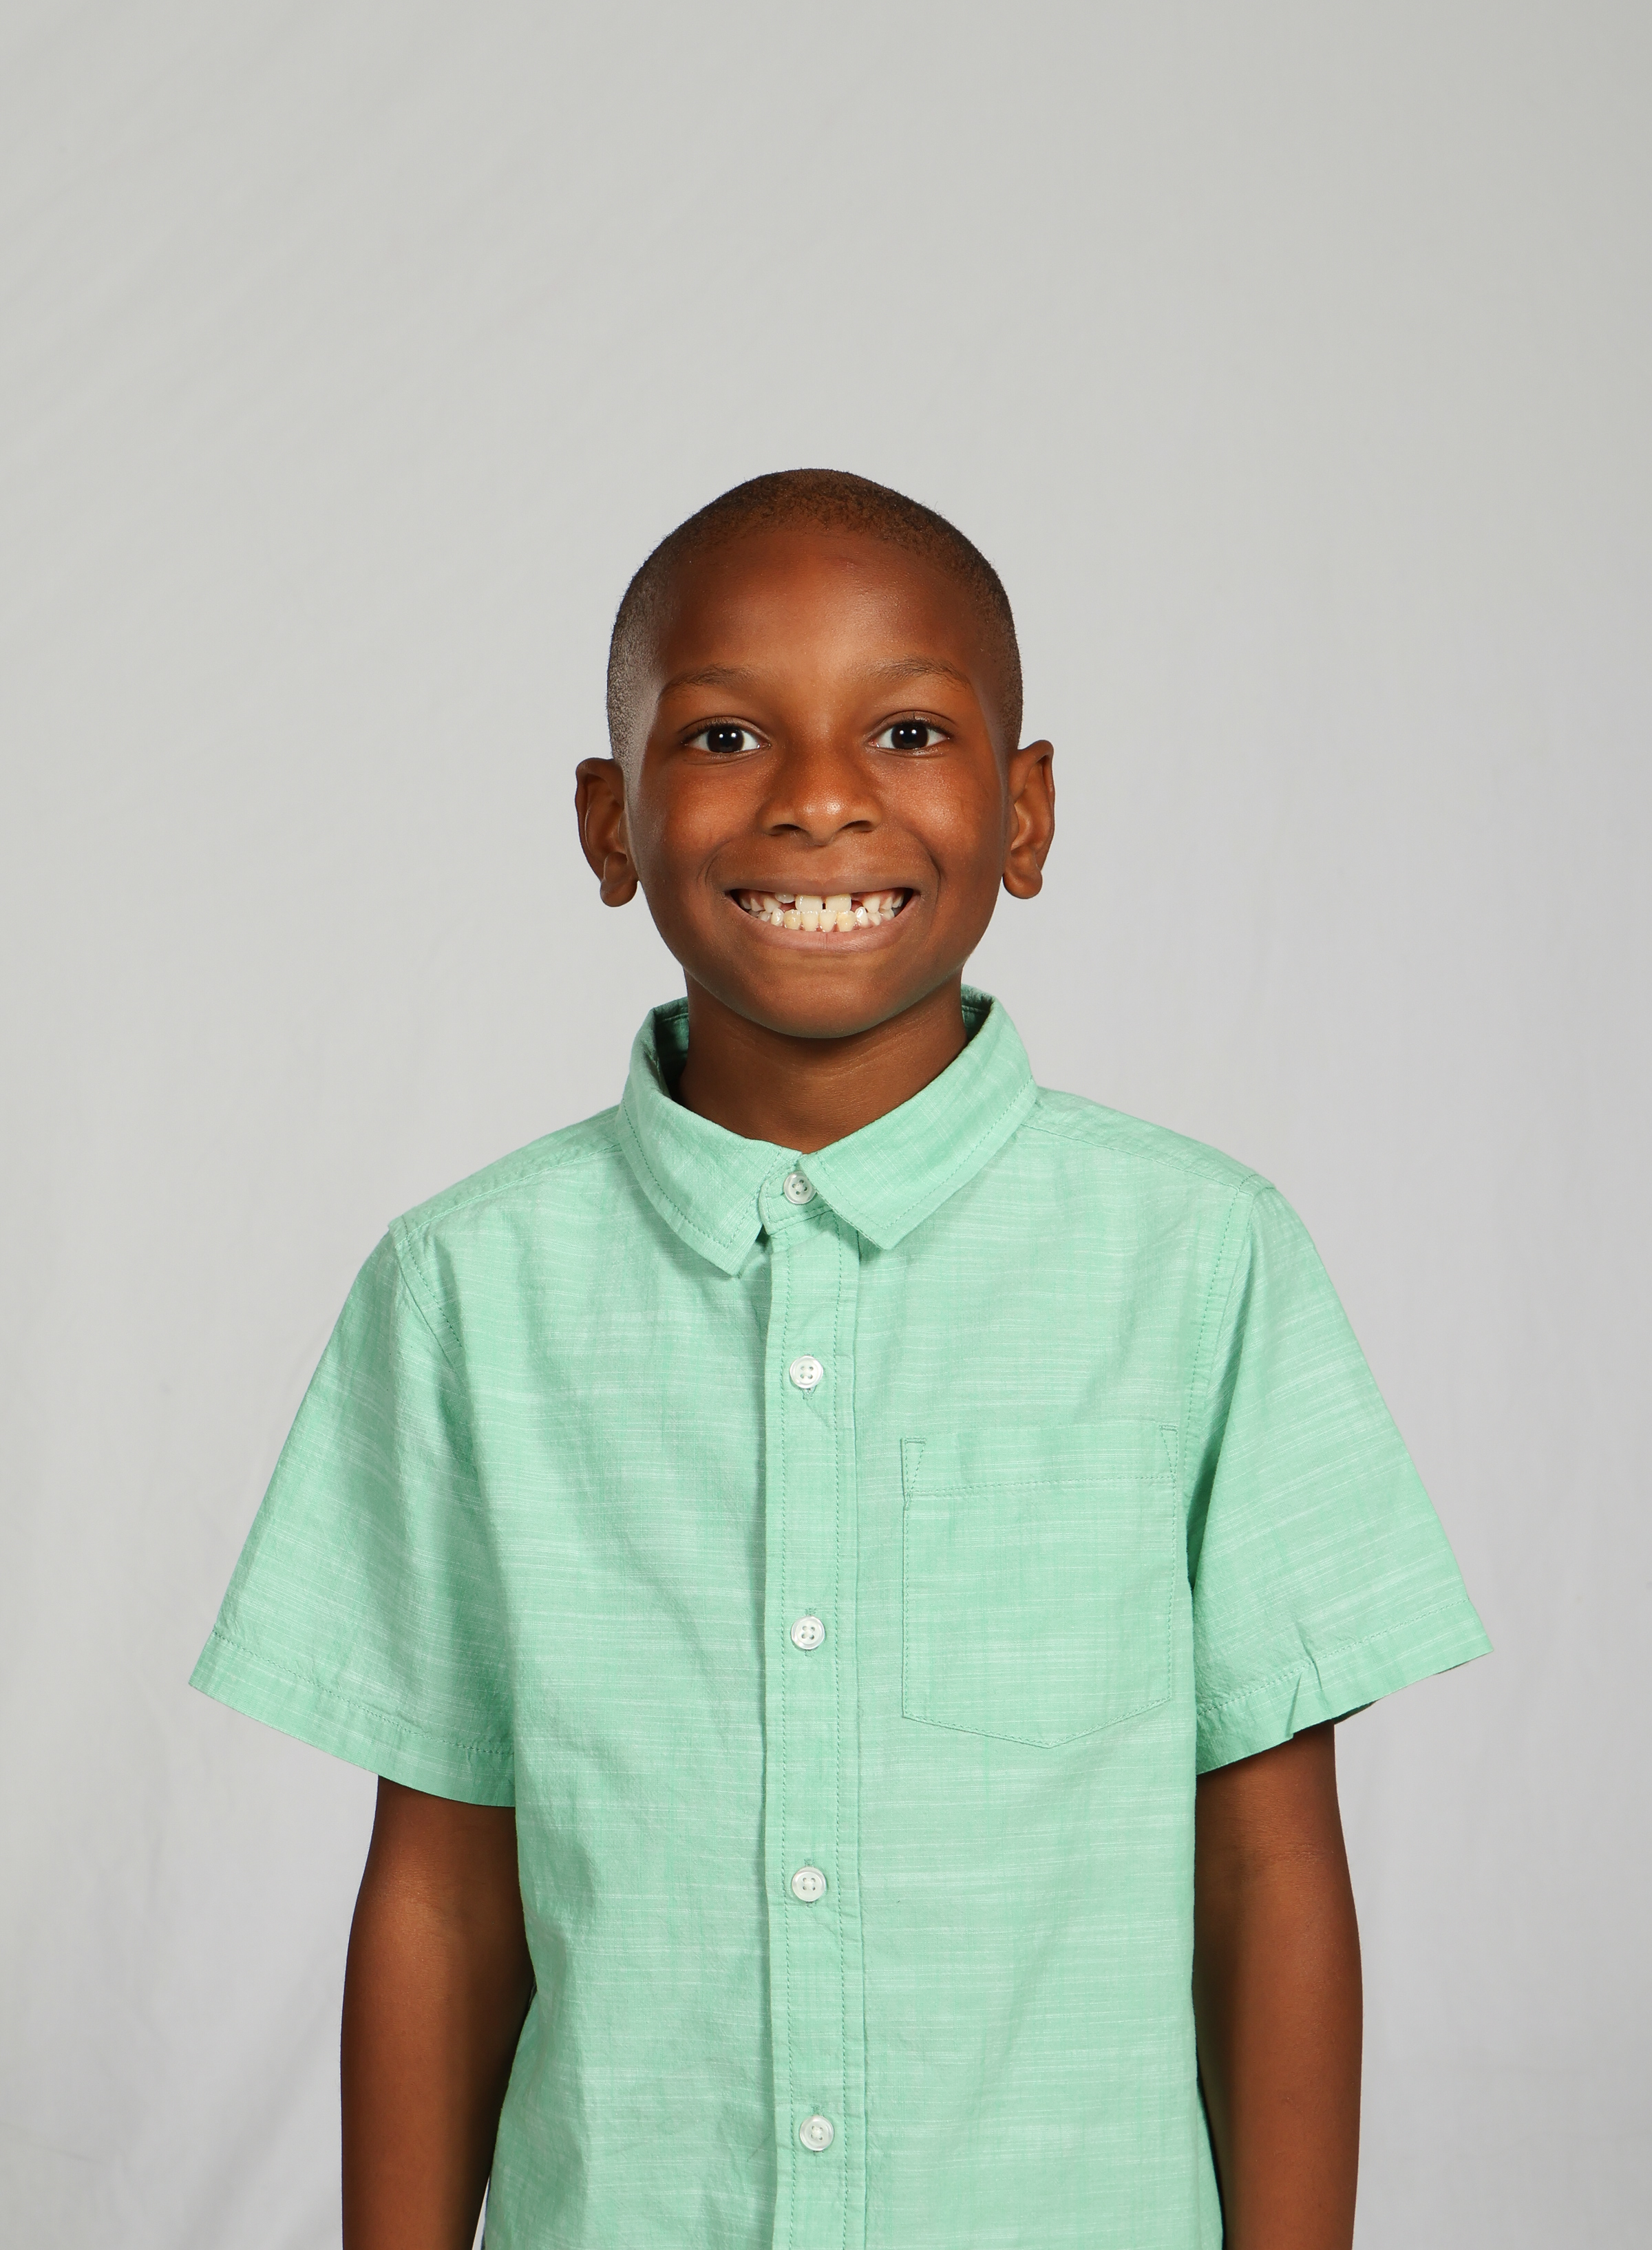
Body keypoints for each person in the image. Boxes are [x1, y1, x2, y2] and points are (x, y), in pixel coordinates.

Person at [192, 468, 1490, 2250]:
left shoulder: (1204, 1263)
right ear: (609, 823)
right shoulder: (463, 1293)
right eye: (726, 735)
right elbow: (442, 1894)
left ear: (1025, 812)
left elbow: (1268, 1875)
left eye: (908, 731)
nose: (817, 798)